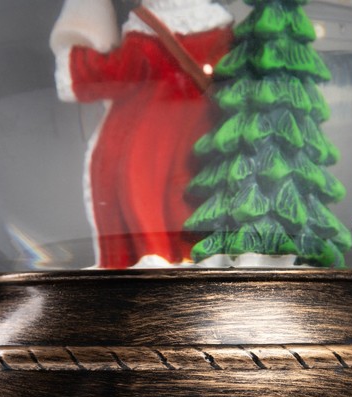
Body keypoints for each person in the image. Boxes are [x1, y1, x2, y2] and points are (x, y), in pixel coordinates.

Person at [51, 0, 234, 268]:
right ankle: (184, 263)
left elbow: (116, 73)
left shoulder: (147, 34)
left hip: (146, 143)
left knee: (143, 202)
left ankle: (157, 263)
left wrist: (75, 59)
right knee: (184, 202)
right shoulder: (222, 31)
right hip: (202, 137)